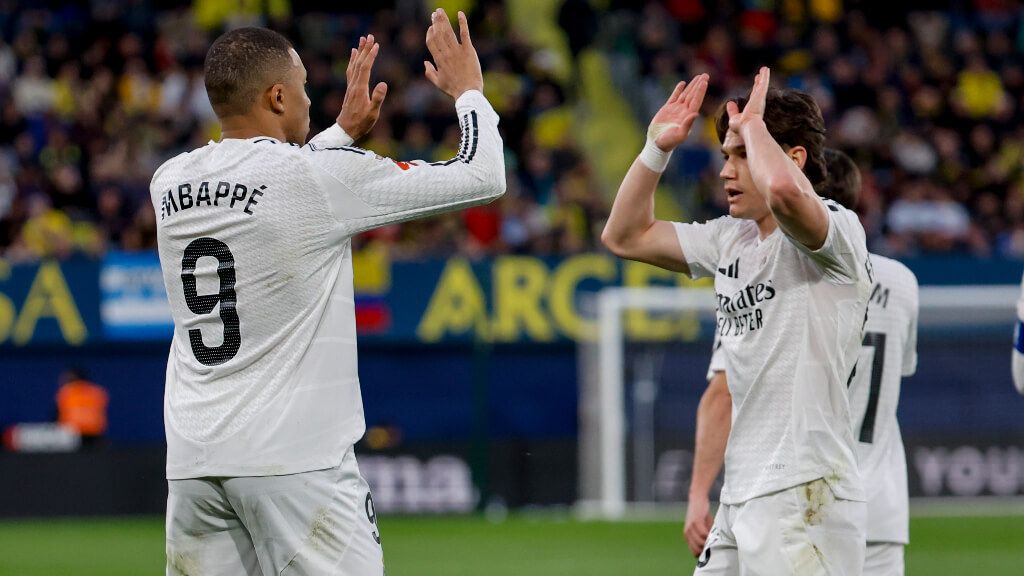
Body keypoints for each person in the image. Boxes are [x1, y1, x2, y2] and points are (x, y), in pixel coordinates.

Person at [152, 10, 505, 575]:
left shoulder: (170, 180)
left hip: (194, 464)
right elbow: (484, 175)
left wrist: (339, 134)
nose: (310, 102)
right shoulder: (318, 177)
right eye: (303, 89)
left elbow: (270, 184)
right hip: (294, 464)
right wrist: (469, 92)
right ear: (275, 97)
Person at [601, 68, 871, 574]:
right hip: (743, 491)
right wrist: (655, 151)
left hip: (804, 490)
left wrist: (758, 134)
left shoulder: (837, 232)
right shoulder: (732, 239)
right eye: (727, 155)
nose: (726, 171)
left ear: (793, 159)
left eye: (742, 155)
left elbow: (789, 197)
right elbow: (624, 237)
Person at [684, 148, 920, 575]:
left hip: (798, 481)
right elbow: (898, 372)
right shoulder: (902, 282)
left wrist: (699, 492)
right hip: (880, 496)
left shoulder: (761, 274)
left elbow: (722, 394)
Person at [55, 368, 109, 448]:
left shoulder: (66, 392)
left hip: (74, 434)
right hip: (95, 433)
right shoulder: (97, 391)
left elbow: (59, 412)